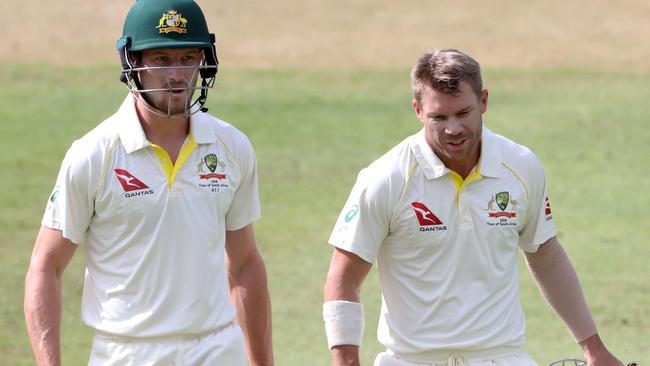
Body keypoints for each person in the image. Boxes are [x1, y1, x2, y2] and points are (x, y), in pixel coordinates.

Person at [322, 49, 623, 366]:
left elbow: (545, 254)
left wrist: (594, 348)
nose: (453, 129)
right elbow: (342, 278)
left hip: (502, 358)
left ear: (484, 101)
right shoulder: (386, 179)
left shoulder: (520, 166)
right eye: (439, 117)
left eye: (463, 113)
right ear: (418, 110)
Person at [24, 0, 274, 365]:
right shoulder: (94, 154)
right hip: (127, 352)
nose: (177, 75)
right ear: (134, 64)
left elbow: (246, 263)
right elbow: (45, 266)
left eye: (188, 58)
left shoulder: (231, 146)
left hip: (218, 349)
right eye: (161, 59)